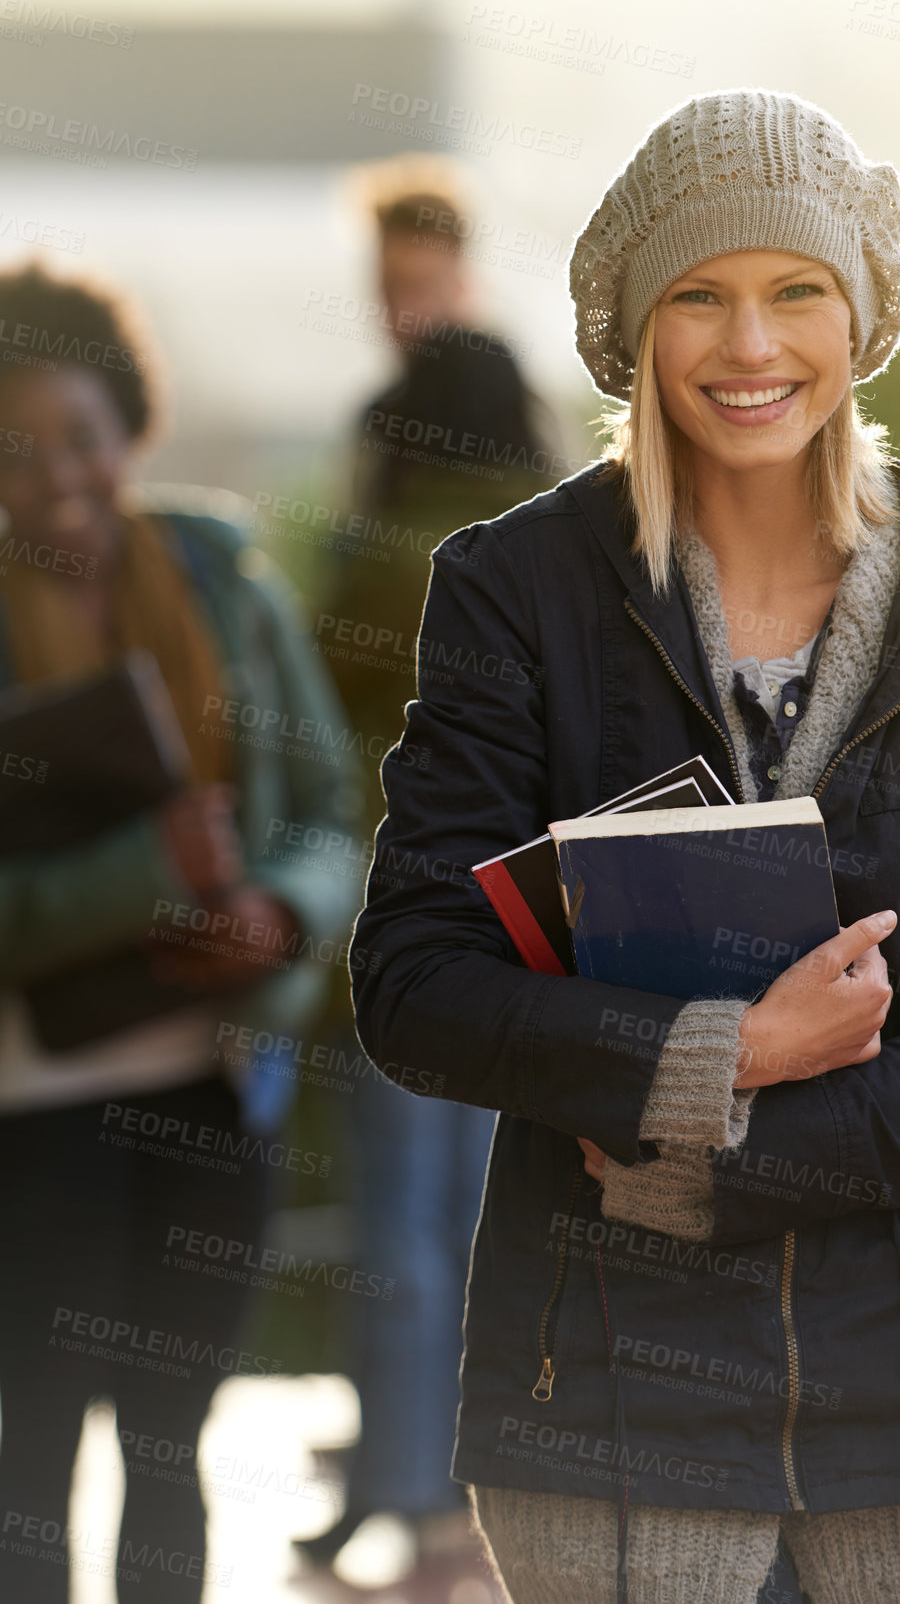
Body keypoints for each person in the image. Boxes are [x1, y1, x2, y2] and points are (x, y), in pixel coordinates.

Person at [347, 91, 900, 1604]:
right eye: (697, 295)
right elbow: (412, 981)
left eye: (793, 292)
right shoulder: (514, 592)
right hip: (607, 1402)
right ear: (630, 329)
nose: (748, 346)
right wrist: (724, 1053)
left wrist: (723, 1159)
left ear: (860, 313)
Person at [0, 263, 362, 1603]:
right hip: (34, 1111)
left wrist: (279, 912)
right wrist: (142, 874)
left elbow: (328, 812)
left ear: (130, 425)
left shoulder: (222, 579)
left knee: (171, 1445)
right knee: (28, 1453)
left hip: (219, 1084)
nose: (58, 481)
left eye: (80, 438)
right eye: (15, 453)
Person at [295, 156, 560, 1591]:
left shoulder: (391, 539)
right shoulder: (556, 532)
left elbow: (321, 703)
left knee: (398, 1215)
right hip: (524, 920)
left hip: (405, 912)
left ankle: (412, 1493)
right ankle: (463, 1499)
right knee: (478, 1210)